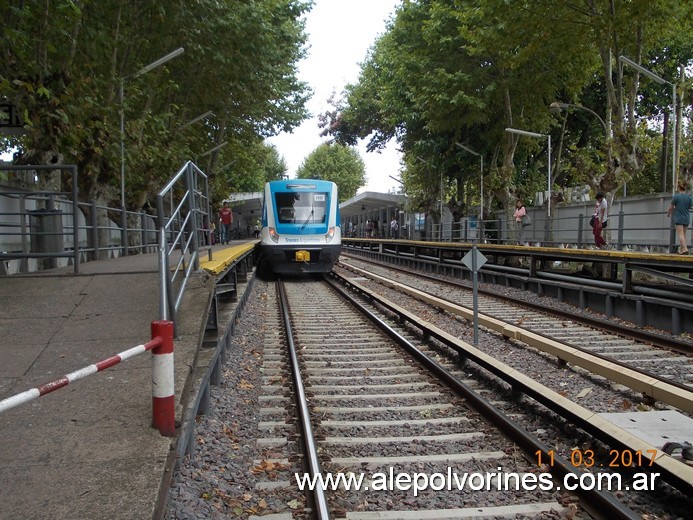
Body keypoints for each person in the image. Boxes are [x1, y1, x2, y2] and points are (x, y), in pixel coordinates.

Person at [667, 180, 692, 255]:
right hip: (686, 217)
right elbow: (691, 206)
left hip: (679, 217)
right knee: (683, 235)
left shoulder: (676, 197)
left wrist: (668, 214)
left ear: (678, 188)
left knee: (680, 235)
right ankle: (682, 250)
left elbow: (671, 207)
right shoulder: (689, 197)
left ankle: (685, 249)